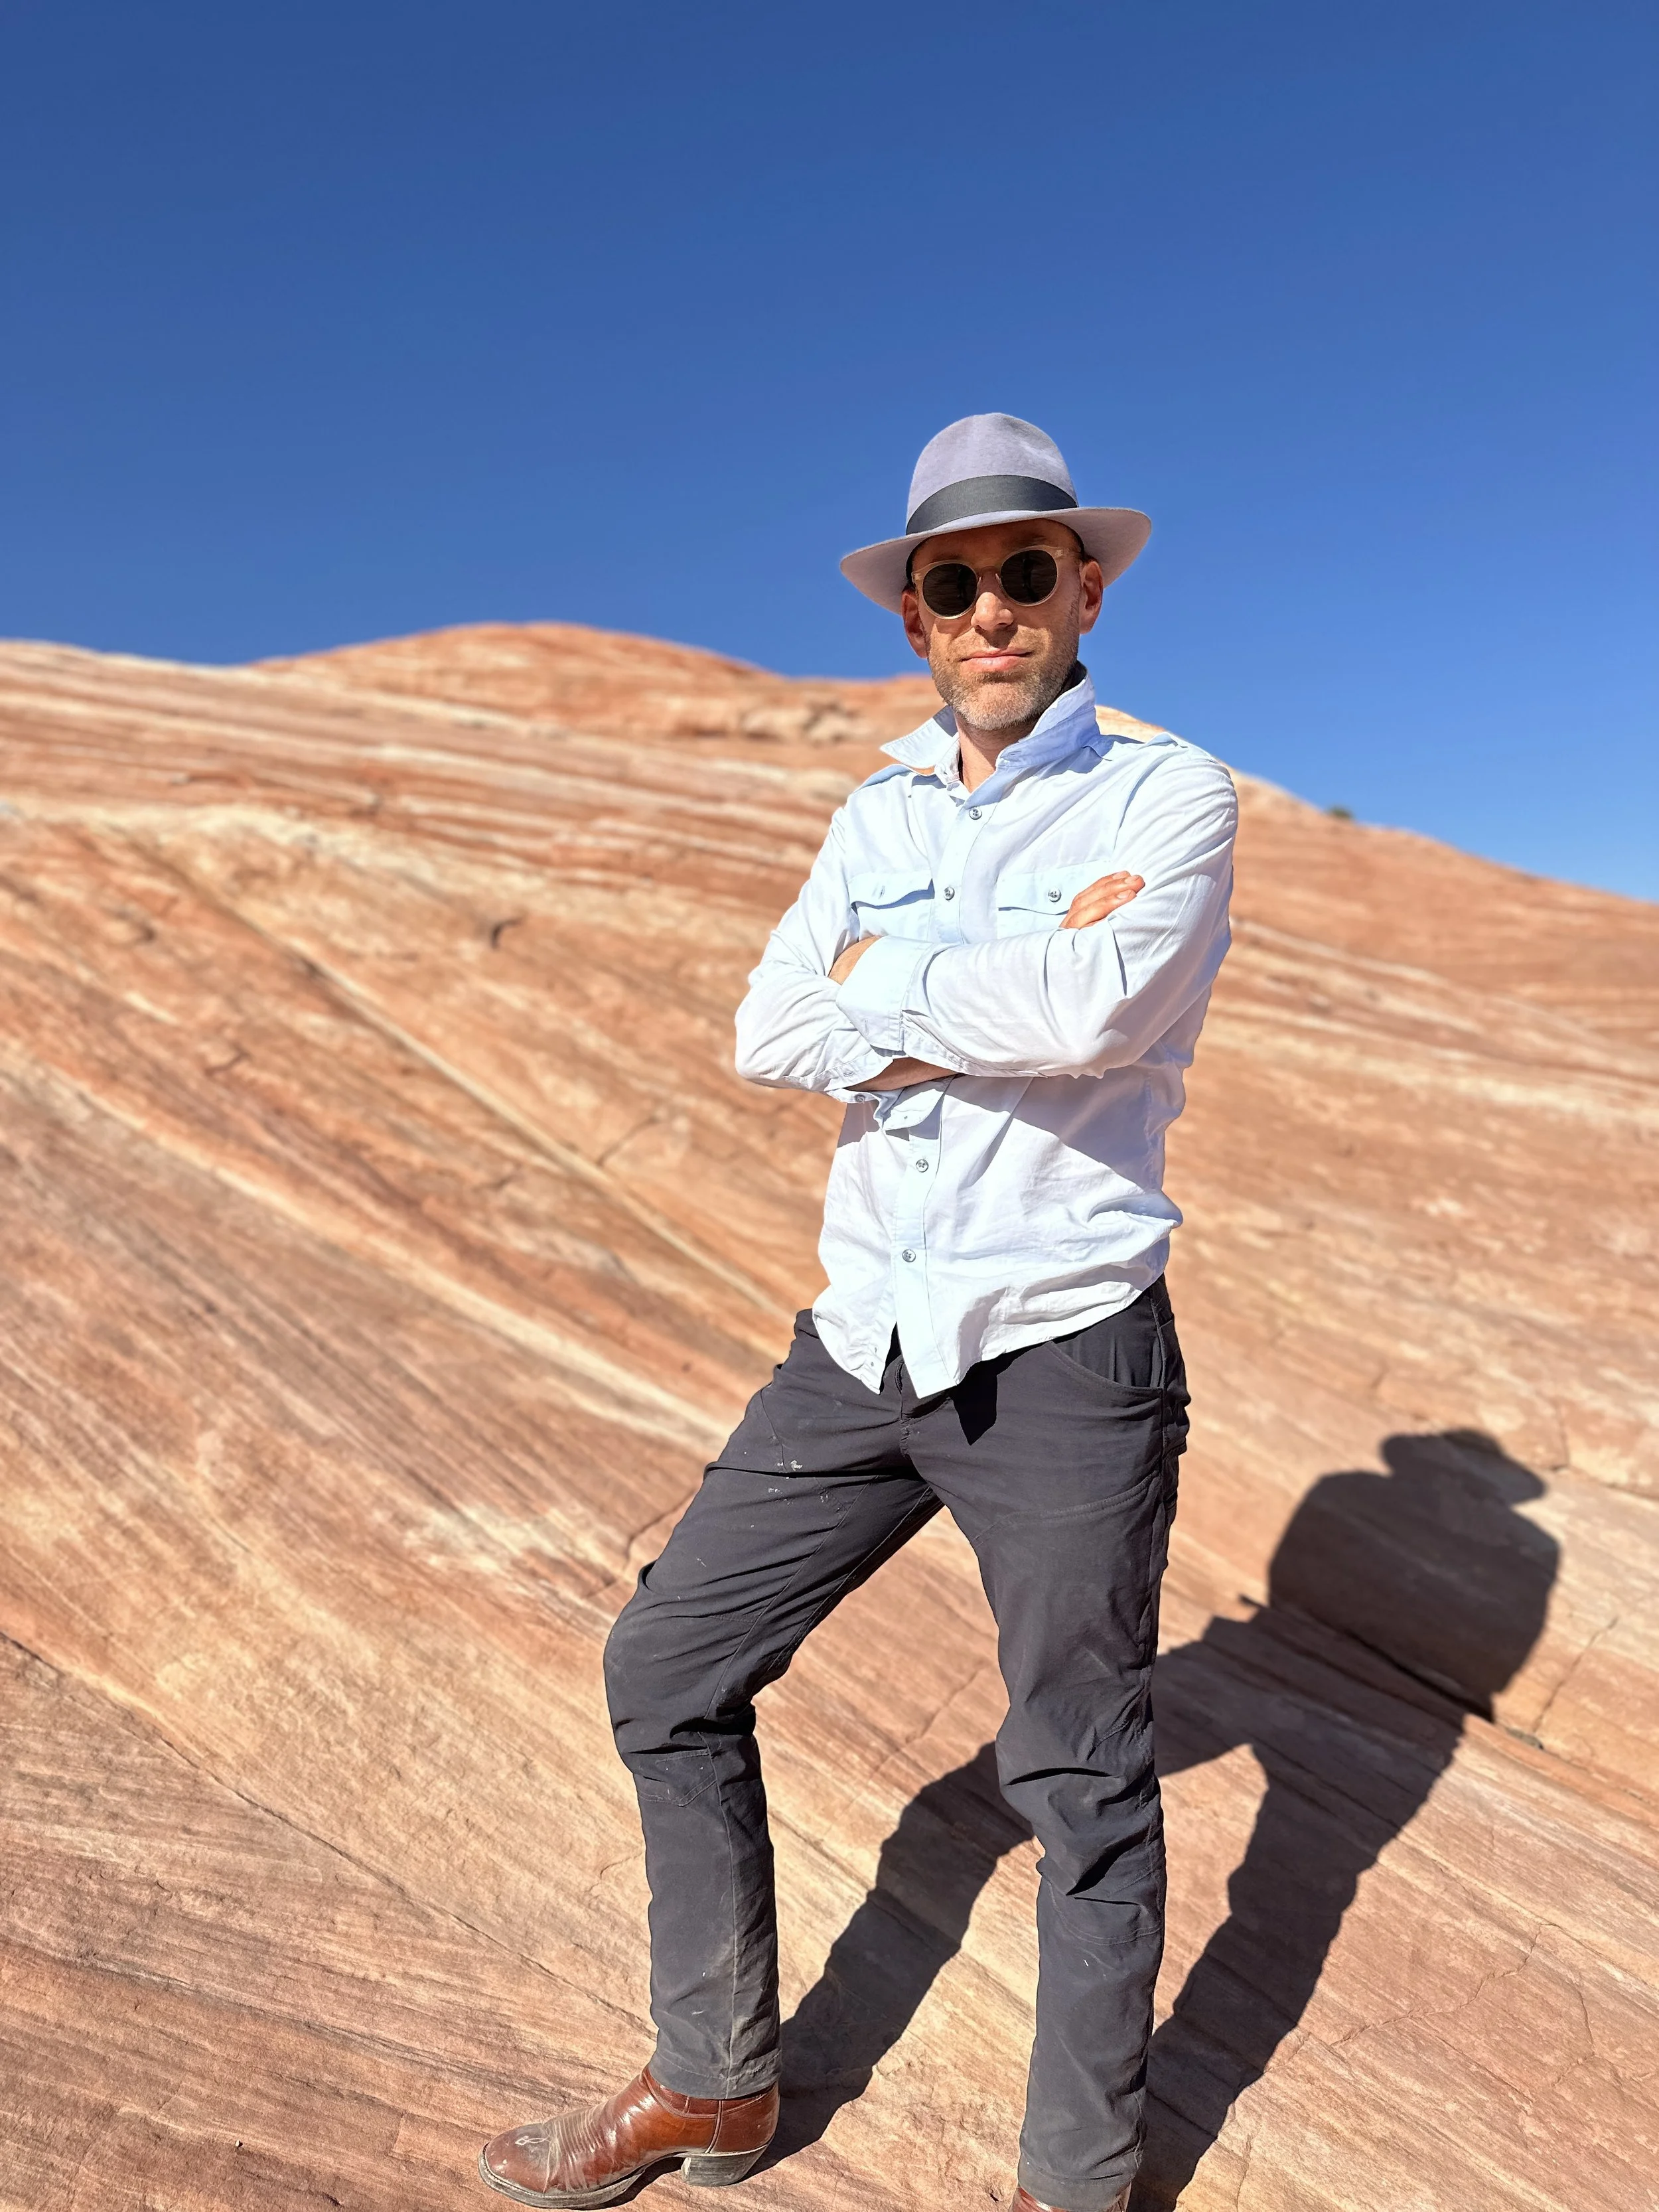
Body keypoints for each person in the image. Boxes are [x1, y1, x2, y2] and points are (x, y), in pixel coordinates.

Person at [478, 414, 1237, 2212]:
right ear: (914, 618)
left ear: (1087, 587)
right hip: (864, 1339)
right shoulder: (874, 810)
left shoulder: (1165, 795)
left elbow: (1103, 1008)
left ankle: (1071, 2185)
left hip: (1061, 1341)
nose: (991, 610)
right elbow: (770, 1026)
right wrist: (992, 983)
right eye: (952, 585)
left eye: (1025, 571)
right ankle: (713, 2081)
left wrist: (881, 982)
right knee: (666, 1669)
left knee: (1078, 1779)